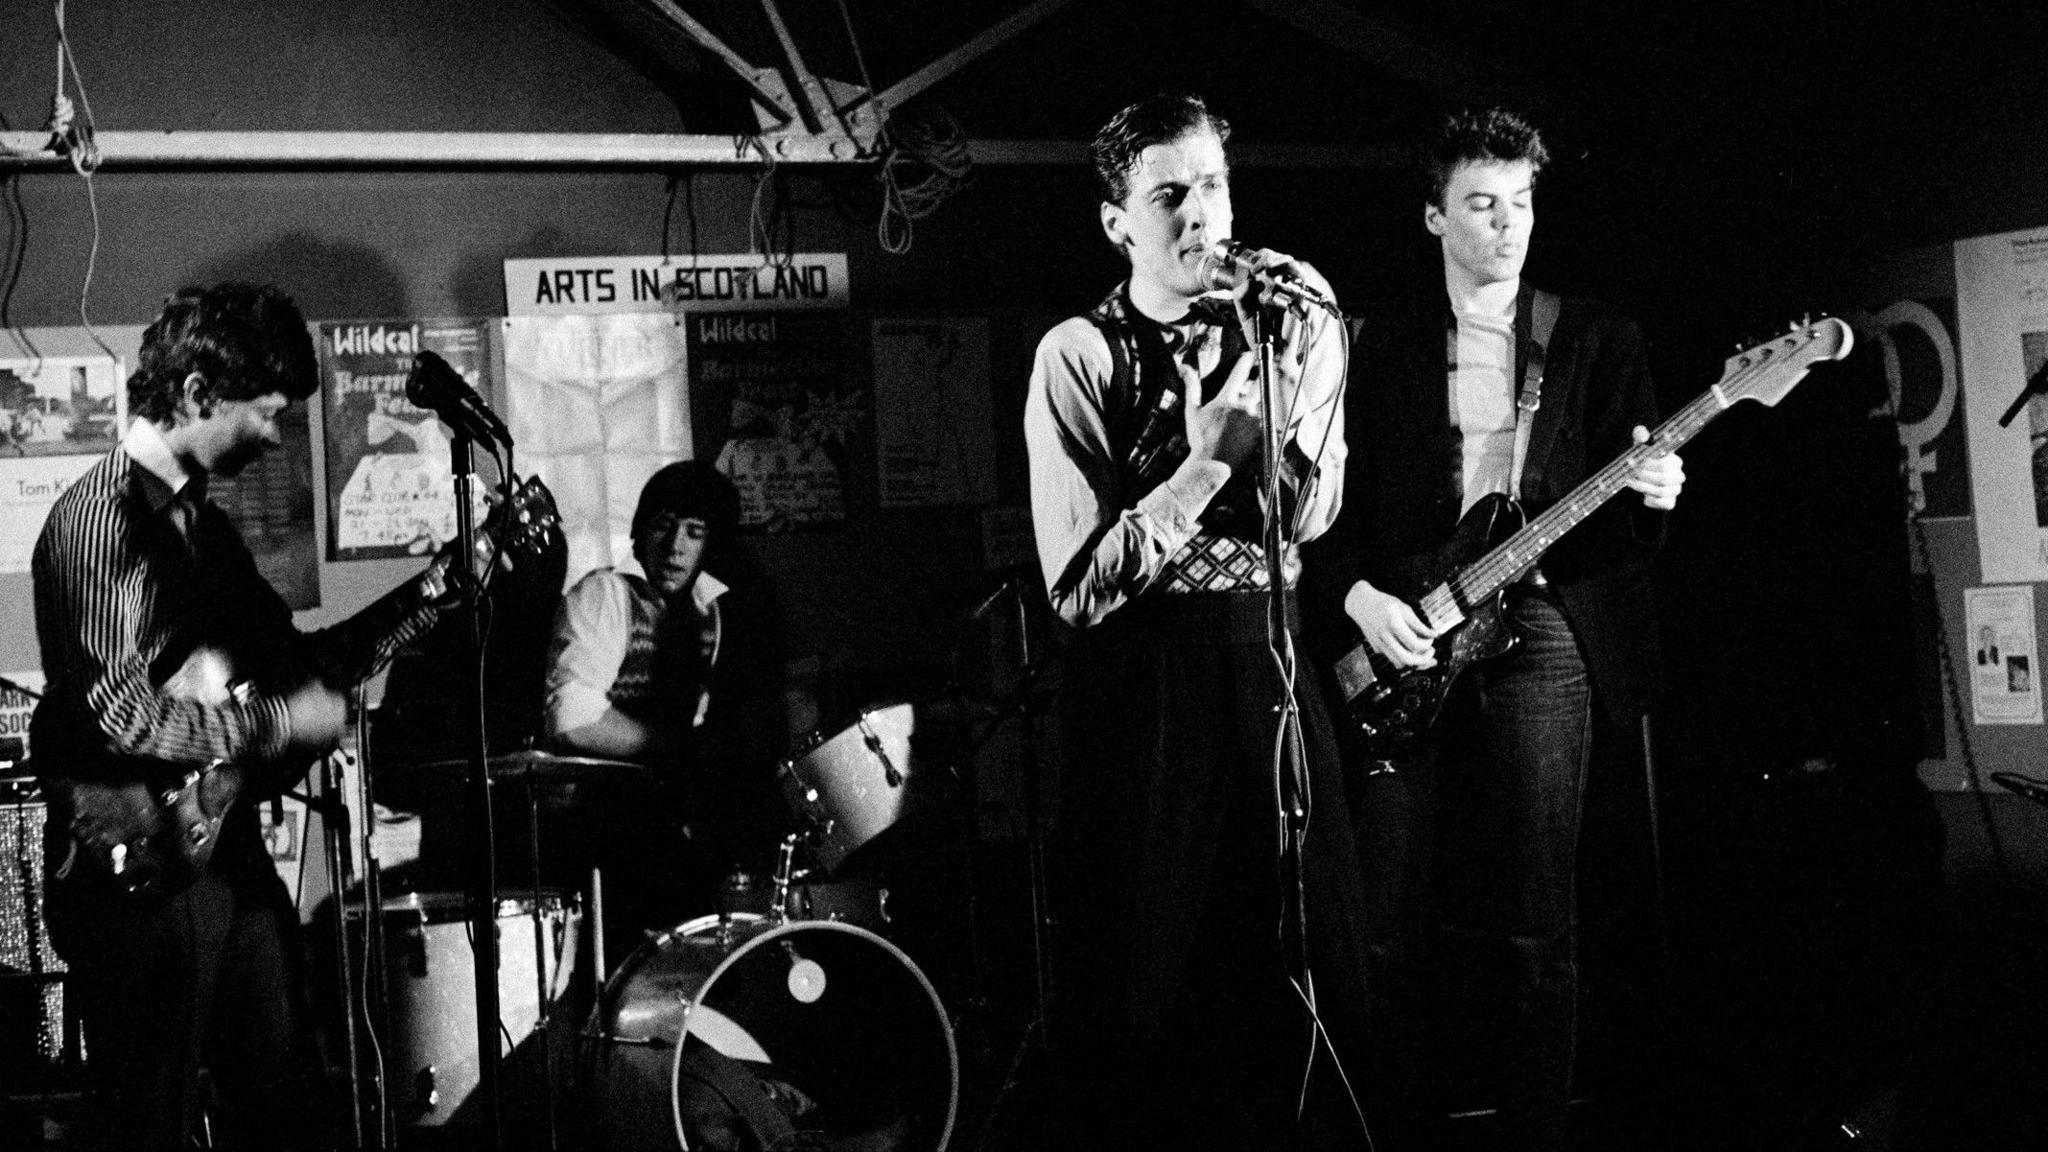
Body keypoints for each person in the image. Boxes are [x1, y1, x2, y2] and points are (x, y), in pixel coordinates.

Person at [1305, 106, 1685, 1150]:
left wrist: (1654, 493)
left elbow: (1622, 540)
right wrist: (1359, 601)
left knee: (1536, 922)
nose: (1507, 223)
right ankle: (1388, 1128)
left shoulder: (1594, 338)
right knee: (1383, 925)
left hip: (1543, 624)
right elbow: (1319, 520)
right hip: (1406, 631)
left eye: (1519, 202)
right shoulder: (1371, 347)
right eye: (1480, 203)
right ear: (1433, 217)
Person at [30, 283, 460, 1151]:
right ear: (195, 395)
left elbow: (298, 665)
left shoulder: (206, 531)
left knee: (285, 1100)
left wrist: (441, 589)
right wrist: (272, 727)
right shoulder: (100, 518)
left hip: (222, 857)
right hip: (135, 876)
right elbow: (118, 714)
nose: (274, 436)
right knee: (143, 1121)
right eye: (265, 413)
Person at [1022, 91, 1370, 1147]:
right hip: (1144, 685)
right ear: (1116, 222)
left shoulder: (1284, 317)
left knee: (1312, 956)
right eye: (1167, 195)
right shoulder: (1077, 353)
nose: (1199, 217)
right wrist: (1204, 459)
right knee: (1144, 981)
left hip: (1267, 656)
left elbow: (1312, 512)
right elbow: (1078, 587)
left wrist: (1280, 384)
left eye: (1211, 186)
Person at [543, 460, 791, 946]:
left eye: (694, 532)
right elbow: (571, 721)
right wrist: (677, 748)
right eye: (664, 526)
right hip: (595, 833)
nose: (676, 545)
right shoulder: (605, 596)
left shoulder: (709, 612)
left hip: (664, 825)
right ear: (639, 534)